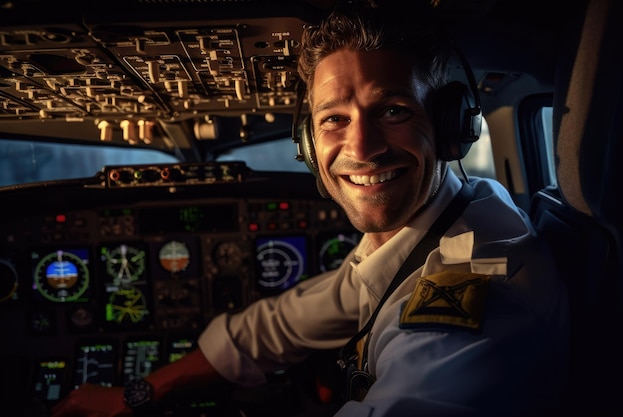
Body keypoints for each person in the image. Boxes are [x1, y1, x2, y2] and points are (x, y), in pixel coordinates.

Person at [50, 2, 570, 416]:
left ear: (452, 126)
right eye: (333, 119)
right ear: (307, 141)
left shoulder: (477, 302)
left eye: (393, 111)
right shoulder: (442, 222)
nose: (361, 149)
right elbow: (282, 323)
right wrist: (136, 394)